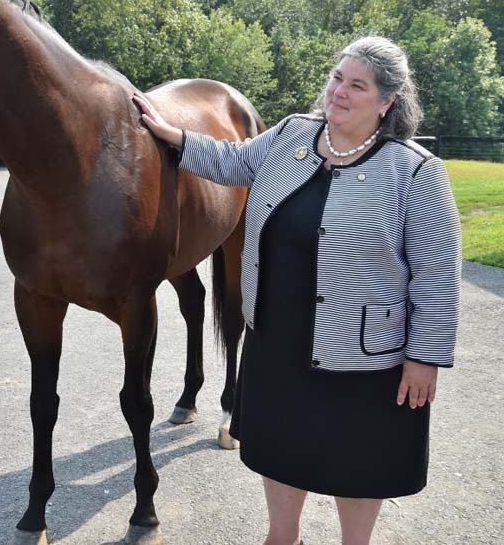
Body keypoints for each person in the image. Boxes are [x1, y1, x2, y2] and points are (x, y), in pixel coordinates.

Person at [134, 36, 461, 545]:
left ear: (387, 101)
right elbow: (232, 161)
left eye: (358, 85)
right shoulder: (291, 135)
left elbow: (438, 275)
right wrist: (171, 134)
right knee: (283, 447)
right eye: (337, 78)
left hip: (365, 353)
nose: (340, 92)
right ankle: (281, 537)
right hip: (278, 336)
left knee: (359, 459)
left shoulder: (415, 171)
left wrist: (425, 357)